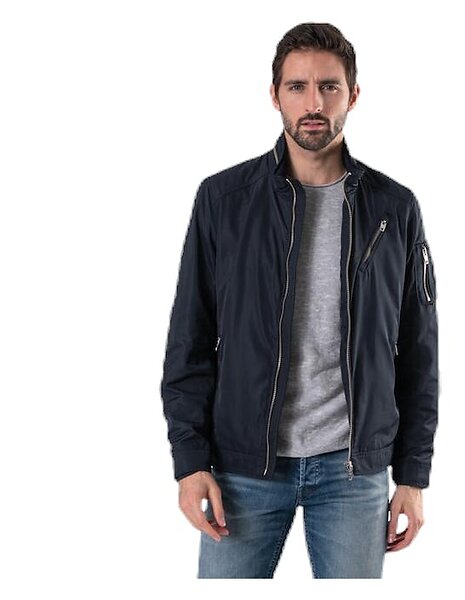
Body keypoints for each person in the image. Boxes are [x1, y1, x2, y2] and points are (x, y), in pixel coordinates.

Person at [160, 22, 439, 579]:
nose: (314, 103)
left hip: (353, 471)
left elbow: (418, 352)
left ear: (352, 95)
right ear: (275, 95)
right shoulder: (223, 200)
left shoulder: (394, 208)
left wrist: (412, 475)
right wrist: (190, 464)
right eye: (298, 86)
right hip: (244, 468)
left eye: (329, 87)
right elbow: (189, 341)